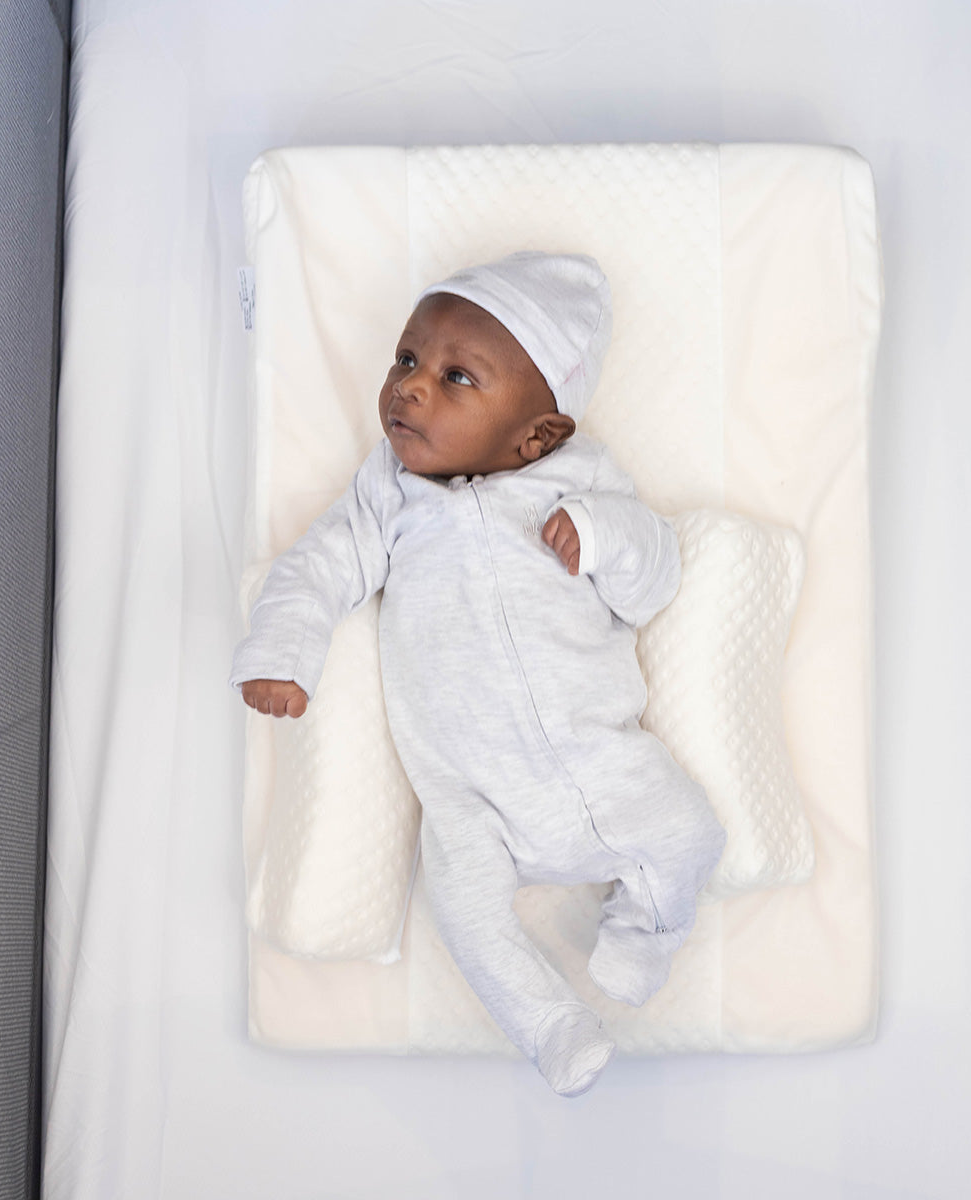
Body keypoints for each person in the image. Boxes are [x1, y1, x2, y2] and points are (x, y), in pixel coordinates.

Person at [230, 251, 725, 1097]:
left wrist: (601, 535)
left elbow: (655, 579)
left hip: (603, 758)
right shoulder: (388, 492)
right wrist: (283, 649)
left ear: (537, 437)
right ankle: (551, 1025)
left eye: (456, 377)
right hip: (470, 798)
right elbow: (317, 566)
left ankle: (643, 935)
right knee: (460, 907)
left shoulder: (584, 482)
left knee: (690, 833)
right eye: (407, 359)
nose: (410, 388)